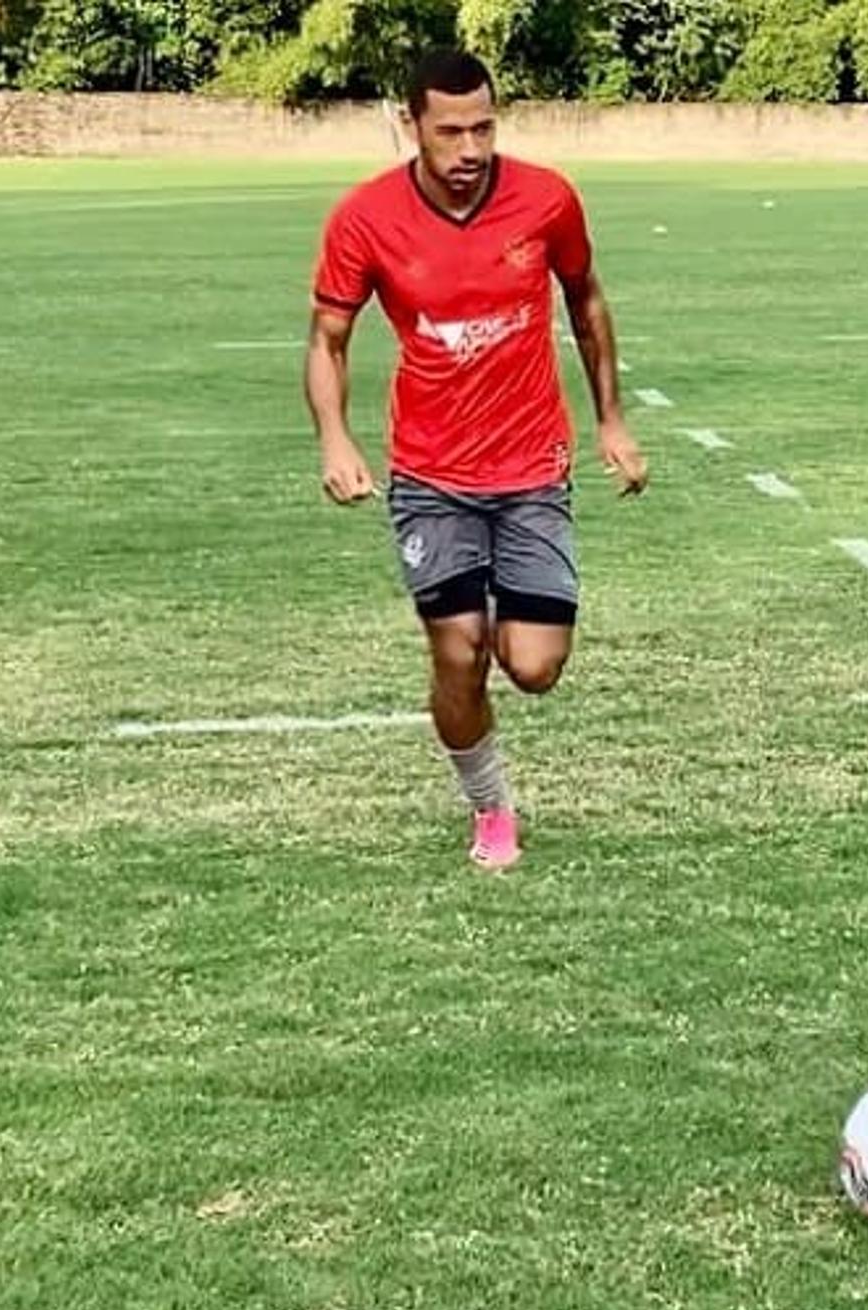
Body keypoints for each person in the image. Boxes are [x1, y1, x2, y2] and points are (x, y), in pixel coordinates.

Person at [304, 49, 648, 870]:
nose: (469, 150)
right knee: (456, 649)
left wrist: (612, 419)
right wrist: (335, 435)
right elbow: (329, 337)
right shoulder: (365, 218)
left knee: (532, 666)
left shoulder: (548, 199)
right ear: (411, 125)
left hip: (532, 469)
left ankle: (496, 611)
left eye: (484, 128)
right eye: (450, 131)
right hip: (431, 476)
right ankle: (492, 808)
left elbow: (587, 298)